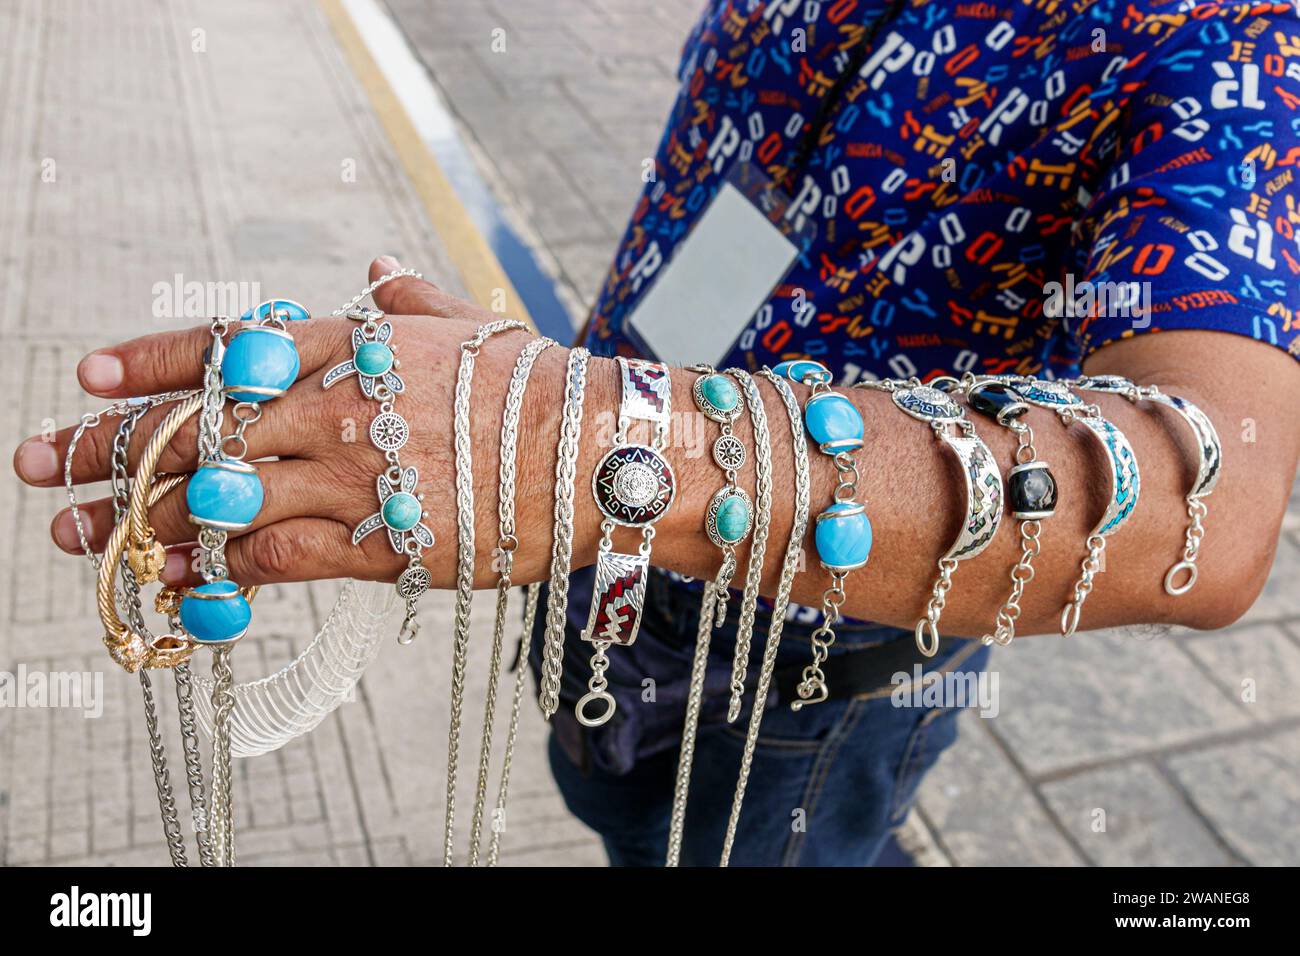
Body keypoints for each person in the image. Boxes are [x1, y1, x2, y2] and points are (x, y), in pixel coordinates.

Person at [13, 0, 1300, 866]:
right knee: (624, 804)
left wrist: (582, 433)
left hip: (813, 651)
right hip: (598, 553)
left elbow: (1212, 504)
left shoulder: (1217, 35)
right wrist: (563, 420)